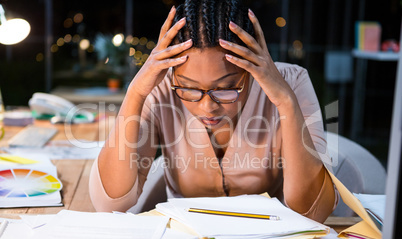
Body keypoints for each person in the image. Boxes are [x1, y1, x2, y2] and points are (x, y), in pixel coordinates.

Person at [89, 0, 338, 223]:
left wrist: (285, 102)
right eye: (188, 88)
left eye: (227, 87)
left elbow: (313, 212)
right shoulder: (161, 88)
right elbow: (109, 203)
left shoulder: (291, 83)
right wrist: (135, 94)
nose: (208, 106)